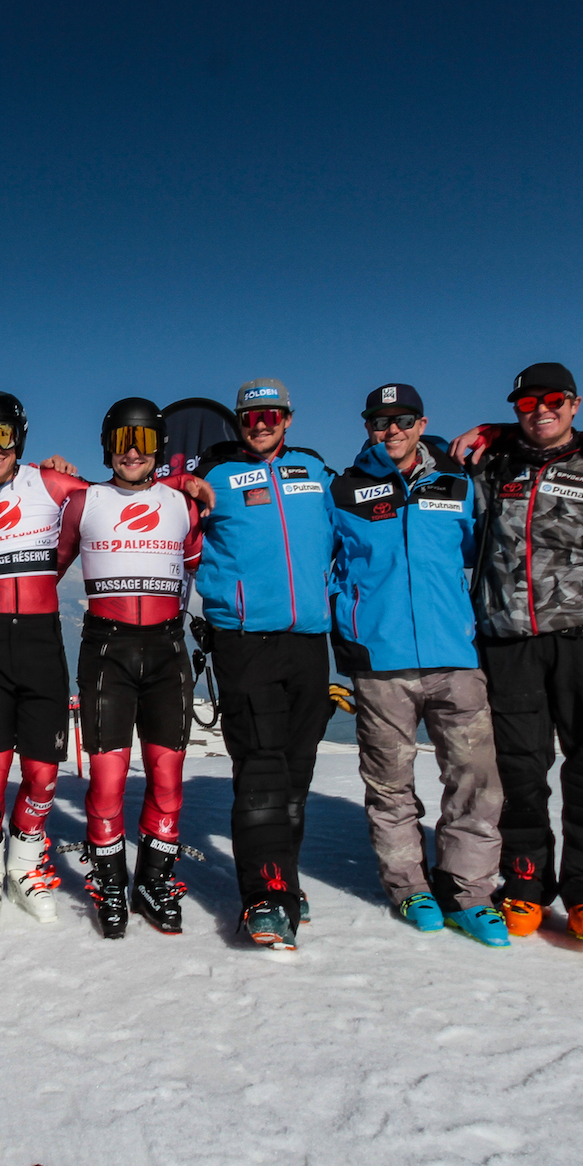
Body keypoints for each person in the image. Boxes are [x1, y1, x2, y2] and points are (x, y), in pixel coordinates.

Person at [469, 363, 583, 944]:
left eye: (553, 400)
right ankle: (524, 881)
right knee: (519, 769)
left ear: (575, 404)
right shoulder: (493, 467)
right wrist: (490, 431)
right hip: (508, 641)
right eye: (526, 403)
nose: (540, 410)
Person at [329, 384, 506, 947]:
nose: (391, 430)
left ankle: (469, 891)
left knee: (475, 780)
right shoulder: (345, 488)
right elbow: (324, 565)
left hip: (455, 655)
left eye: (401, 419)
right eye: (378, 421)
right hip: (381, 661)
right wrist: (348, 638)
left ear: (421, 421)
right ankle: (409, 885)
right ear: (366, 427)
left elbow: (483, 559)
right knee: (390, 784)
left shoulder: (458, 482)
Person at [188, 378, 338, 949]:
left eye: (271, 414)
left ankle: (287, 882)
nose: (261, 424)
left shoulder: (316, 473)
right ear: (237, 423)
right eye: (250, 417)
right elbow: (153, 497)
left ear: (288, 418)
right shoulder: (216, 478)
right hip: (244, 639)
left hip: (308, 639)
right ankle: (263, 895)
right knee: (260, 768)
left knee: (297, 769)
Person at [54, 398, 203, 938]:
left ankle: (153, 882)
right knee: (108, 779)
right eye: (121, 441)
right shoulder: (84, 501)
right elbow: (42, 568)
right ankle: (111, 885)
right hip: (107, 651)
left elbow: (200, 566)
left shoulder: (182, 504)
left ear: (159, 447)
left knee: (167, 777)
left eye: (143, 441)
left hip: (167, 650)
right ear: (106, 448)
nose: (133, 452)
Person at [0, 392, 88, 930]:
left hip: (41, 640)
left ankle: (24, 864)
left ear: (20, 436)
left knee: (43, 771)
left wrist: (186, 483)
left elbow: (125, 495)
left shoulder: (51, 484)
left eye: (3, 433)